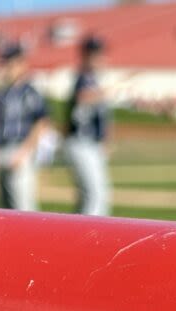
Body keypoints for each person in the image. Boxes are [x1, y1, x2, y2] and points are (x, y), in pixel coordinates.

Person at [0, 43, 50, 210]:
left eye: (11, 64)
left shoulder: (30, 92)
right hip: (0, 149)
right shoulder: (3, 92)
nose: (7, 68)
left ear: (21, 64)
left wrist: (25, 151)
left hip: (19, 149)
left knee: (23, 206)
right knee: (4, 205)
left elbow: (41, 122)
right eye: (5, 64)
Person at [64, 35, 111, 216]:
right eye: (94, 54)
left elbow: (102, 117)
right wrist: (111, 90)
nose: (98, 59)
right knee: (95, 194)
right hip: (81, 142)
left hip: (91, 143)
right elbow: (83, 97)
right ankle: (91, 237)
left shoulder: (94, 79)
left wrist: (106, 138)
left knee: (94, 194)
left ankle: (87, 234)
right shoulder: (83, 77)